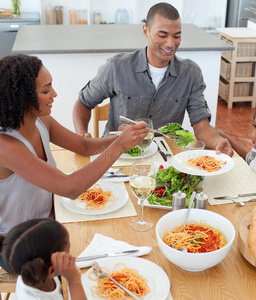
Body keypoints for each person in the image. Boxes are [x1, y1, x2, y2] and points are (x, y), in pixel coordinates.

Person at [0, 54, 148, 235]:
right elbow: (70, 188)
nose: (54, 94)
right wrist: (120, 147)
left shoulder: (42, 121)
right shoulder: (5, 146)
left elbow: (84, 146)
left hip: (50, 223)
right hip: (19, 243)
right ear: (22, 98)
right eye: (46, 91)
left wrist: (121, 138)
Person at [73, 2, 233, 157]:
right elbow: (83, 103)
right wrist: (82, 135)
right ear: (145, 31)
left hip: (164, 156)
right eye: (162, 35)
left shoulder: (190, 74)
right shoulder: (118, 67)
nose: (170, 44)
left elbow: (202, 127)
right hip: (118, 155)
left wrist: (218, 141)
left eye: (177, 36)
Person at [0, 218, 86, 300]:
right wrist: (74, 280)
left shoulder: (32, 269)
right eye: (68, 254)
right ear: (51, 270)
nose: (70, 256)